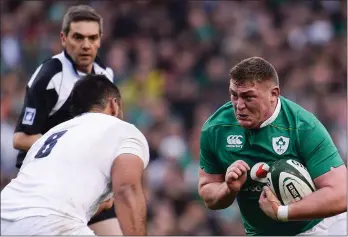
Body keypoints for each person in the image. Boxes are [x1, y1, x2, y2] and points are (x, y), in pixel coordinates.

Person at [198, 57, 347, 236]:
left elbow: (341, 194)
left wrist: (282, 212)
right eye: (234, 95)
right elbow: (208, 194)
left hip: (319, 229)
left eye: (248, 97)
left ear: (273, 94)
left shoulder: (303, 126)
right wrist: (228, 189)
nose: (239, 105)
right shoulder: (215, 129)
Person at [12, 5, 121, 235]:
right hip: (46, 186)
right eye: (78, 37)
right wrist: (68, 150)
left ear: (100, 39)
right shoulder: (50, 76)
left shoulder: (105, 74)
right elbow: (21, 138)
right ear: (64, 38)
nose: (86, 45)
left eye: (92, 37)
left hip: (87, 183)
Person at [1, 74, 149, 235]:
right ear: (114, 104)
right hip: (48, 223)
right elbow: (127, 188)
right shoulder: (122, 129)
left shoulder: (50, 136)